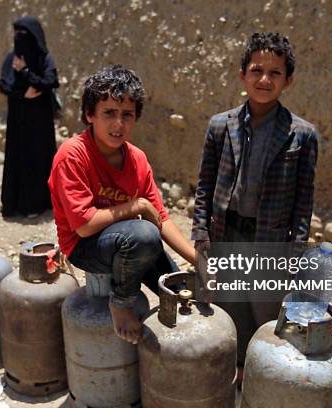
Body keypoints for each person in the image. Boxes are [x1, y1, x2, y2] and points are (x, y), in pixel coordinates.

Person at [192, 32, 318, 368]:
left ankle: (258, 379)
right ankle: (228, 377)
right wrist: (201, 236)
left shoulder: (301, 134)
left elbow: (304, 199)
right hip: (226, 235)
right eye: (256, 70)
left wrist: (296, 250)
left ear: (288, 80)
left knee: (264, 313)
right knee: (226, 309)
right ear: (242, 75)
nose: (264, 79)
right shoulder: (220, 126)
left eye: (275, 72)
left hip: (269, 240)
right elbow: (205, 185)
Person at [49, 66, 196, 344]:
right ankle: (121, 303)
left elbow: (161, 219)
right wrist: (135, 206)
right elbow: (83, 226)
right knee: (144, 235)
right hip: (84, 246)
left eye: (127, 115)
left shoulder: (137, 159)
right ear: (90, 115)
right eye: (109, 113)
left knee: (179, 291)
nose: (119, 124)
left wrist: (197, 261)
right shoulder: (73, 155)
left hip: (127, 240)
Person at [0, 16, 58, 218]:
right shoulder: (11, 58)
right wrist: (22, 95)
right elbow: (4, 85)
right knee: (19, 158)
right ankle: (15, 204)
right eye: (17, 34)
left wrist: (25, 72)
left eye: (25, 34)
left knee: (40, 157)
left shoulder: (44, 58)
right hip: (18, 120)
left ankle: (40, 203)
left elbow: (50, 81)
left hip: (40, 121)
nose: (20, 39)